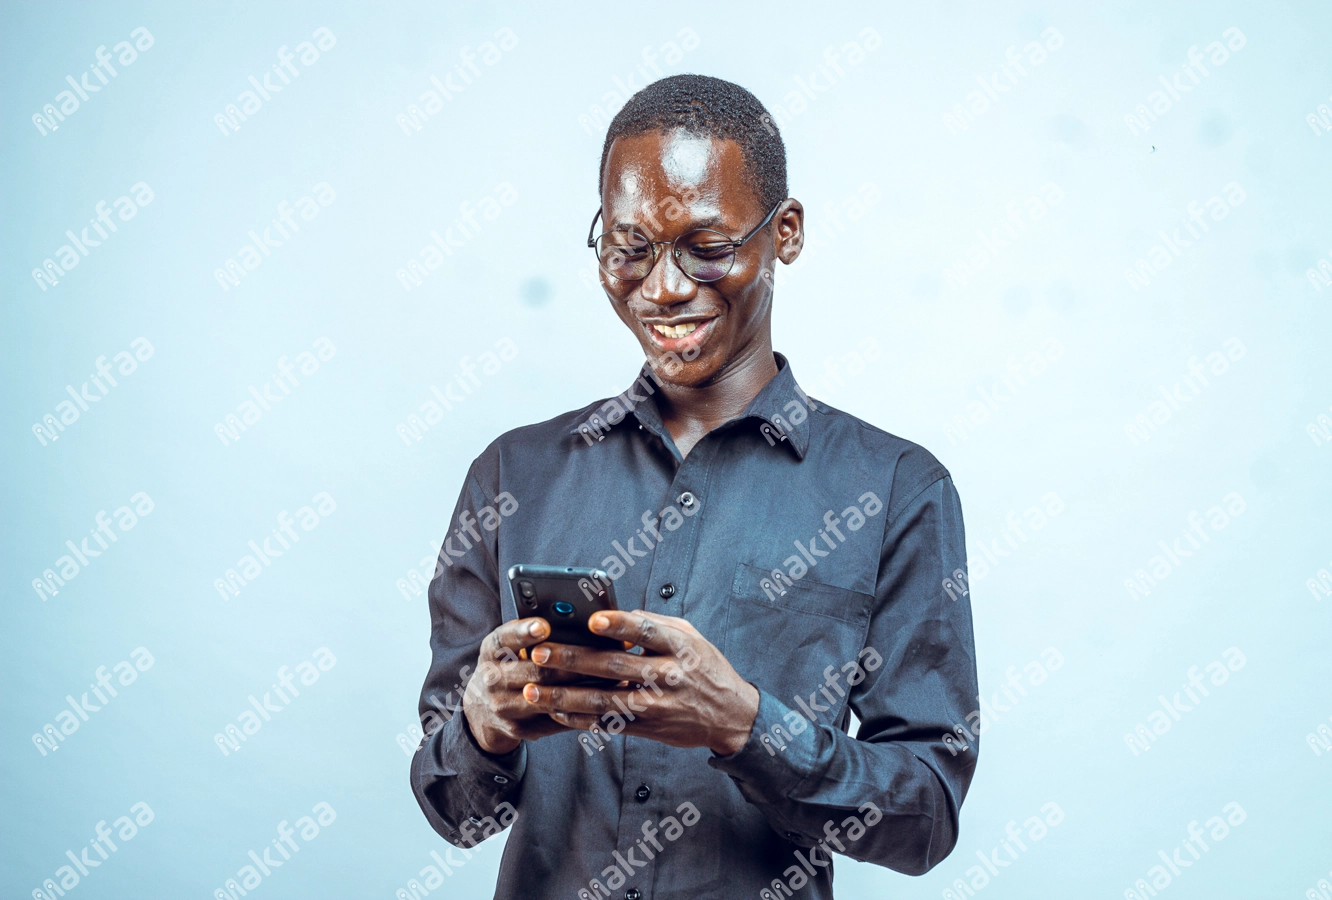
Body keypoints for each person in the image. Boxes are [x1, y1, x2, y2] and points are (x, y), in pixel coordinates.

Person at [410, 74, 978, 899]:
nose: (665, 286)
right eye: (629, 246)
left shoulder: (896, 488)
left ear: (784, 234)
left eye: (706, 246)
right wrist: (483, 731)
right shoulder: (511, 475)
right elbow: (454, 812)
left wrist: (746, 726)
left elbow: (925, 817)